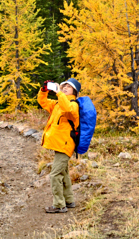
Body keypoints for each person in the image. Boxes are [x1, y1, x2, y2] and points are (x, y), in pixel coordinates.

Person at [38, 78, 81, 214]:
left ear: (74, 91)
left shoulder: (73, 105)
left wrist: (58, 93)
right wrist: (43, 91)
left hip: (65, 145)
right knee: (63, 172)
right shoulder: (57, 103)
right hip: (59, 144)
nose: (65, 88)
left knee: (54, 175)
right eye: (64, 86)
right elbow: (42, 102)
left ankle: (59, 205)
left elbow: (67, 108)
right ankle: (69, 200)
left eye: (69, 86)